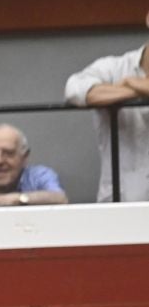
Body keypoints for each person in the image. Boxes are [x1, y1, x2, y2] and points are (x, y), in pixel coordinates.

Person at [64, 11, 149, 203]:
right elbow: (75, 90)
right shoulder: (114, 67)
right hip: (119, 201)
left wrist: (127, 85)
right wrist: (137, 88)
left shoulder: (121, 77)